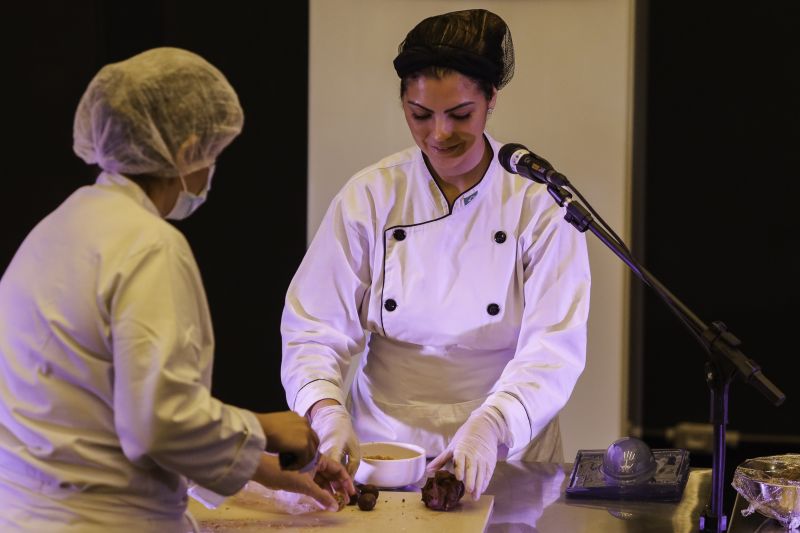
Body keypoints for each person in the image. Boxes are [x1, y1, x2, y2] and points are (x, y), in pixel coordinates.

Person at [0, 47, 353, 533]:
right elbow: (157, 423)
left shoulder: (56, 230)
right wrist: (267, 428)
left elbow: (101, 410)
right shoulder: (149, 245)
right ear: (187, 151)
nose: (211, 170)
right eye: (213, 154)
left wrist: (266, 470)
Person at [281, 9, 591, 502]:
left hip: (505, 444)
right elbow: (313, 325)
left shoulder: (538, 201)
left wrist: (492, 424)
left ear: (492, 100)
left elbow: (553, 347)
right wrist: (325, 411)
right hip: (381, 442)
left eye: (460, 114)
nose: (440, 134)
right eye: (420, 115)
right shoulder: (372, 195)